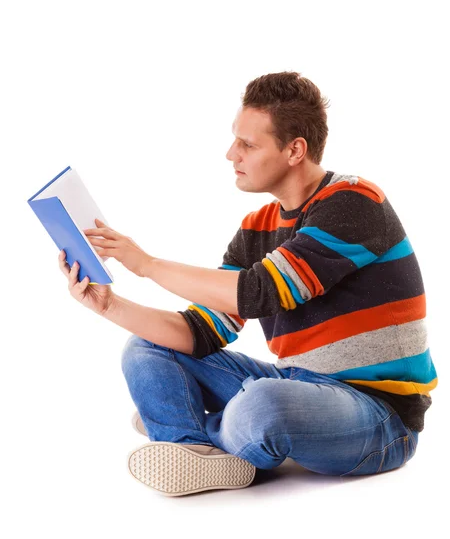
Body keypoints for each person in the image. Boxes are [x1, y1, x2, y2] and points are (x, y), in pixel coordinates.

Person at [59, 71, 438, 498]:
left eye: (248, 145)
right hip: (300, 385)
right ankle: (196, 450)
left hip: (379, 418)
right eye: (234, 140)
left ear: (295, 150)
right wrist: (110, 306)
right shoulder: (256, 229)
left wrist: (145, 264)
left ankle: (187, 423)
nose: (230, 154)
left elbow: (262, 291)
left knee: (263, 405)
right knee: (144, 347)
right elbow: (202, 331)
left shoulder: (354, 201)